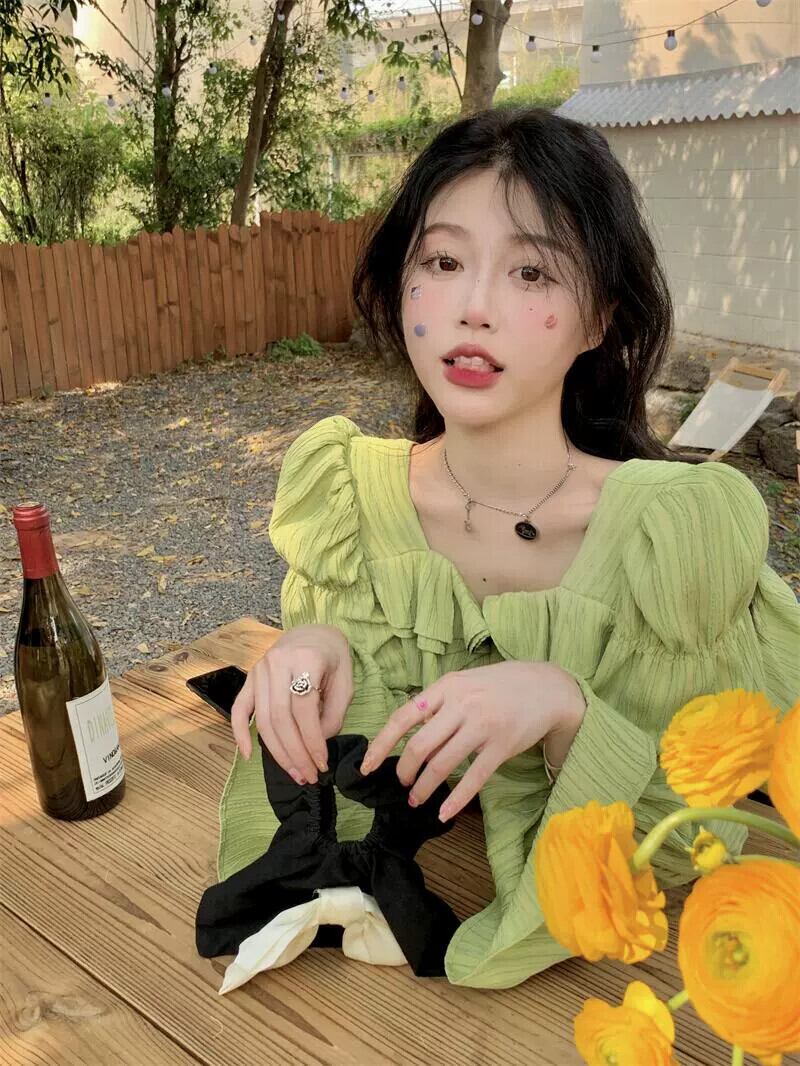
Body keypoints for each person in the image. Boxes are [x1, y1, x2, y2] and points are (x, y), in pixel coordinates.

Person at [223, 106, 800, 990]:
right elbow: (346, 751)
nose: (474, 308)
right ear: (402, 286)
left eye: (531, 271)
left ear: (599, 318)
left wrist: (570, 712)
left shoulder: (670, 544)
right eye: (443, 262)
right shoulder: (346, 498)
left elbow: (687, 842)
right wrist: (314, 650)